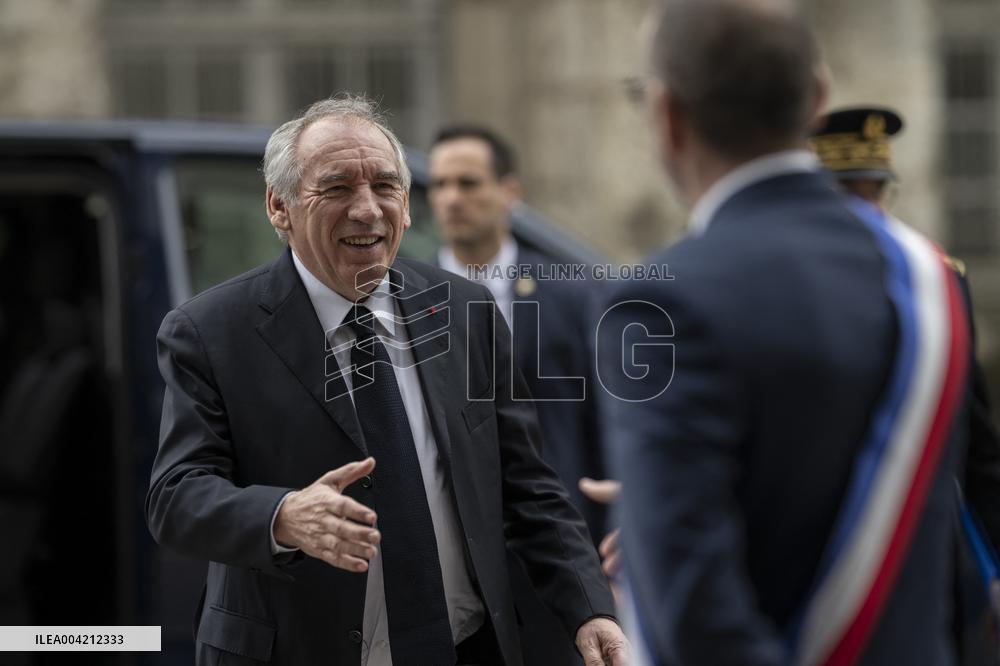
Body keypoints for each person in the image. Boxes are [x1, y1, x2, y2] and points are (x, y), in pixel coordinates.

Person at [145, 95, 626, 666]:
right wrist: (283, 516)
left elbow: (527, 486)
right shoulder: (209, 330)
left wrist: (590, 608)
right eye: (338, 188)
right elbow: (175, 496)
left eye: (386, 186)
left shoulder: (462, 309)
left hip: (466, 648)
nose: (368, 209)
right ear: (280, 207)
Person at [600, 1, 971, 665]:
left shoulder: (659, 297)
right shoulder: (924, 278)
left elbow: (693, 619)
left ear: (665, 115)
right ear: (818, 98)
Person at [813, 105, 1000, 663]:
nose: (868, 210)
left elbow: (977, 442)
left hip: (926, 550)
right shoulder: (790, 286)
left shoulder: (938, 279)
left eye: (875, 192)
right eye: (852, 192)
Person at [428, 125, 608, 666]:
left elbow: (604, 425)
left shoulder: (574, 295)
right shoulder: (400, 298)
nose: (452, 198)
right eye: (438, 185)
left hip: (551, 559)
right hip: (446, 560)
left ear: (510, 191)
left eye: (468, 182)